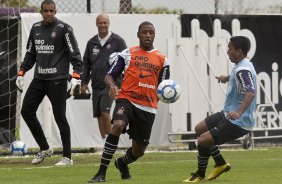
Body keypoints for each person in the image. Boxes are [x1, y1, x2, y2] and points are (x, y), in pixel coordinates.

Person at [88, 21, 170, 183]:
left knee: (139, 151)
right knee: (117, 125)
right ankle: (101, 173)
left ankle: (122, 163)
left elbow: (165, 85)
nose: (148, 35)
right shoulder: (128, 53)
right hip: (127, 99)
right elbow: (109, 76)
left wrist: (167, 94)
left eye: (151, 32)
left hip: (148, 107)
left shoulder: (162, 60)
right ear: (138, 34)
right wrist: (112, 85)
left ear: (154, 35)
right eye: (144, 32)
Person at [16, 0, 82, 166]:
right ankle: (45, 148)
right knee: (26, 111)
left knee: (60, 117)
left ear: (55, 11)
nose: (49, 14)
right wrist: (21, 72)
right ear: (41, 11)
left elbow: (75, 54)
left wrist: (76, 76)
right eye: (45, 11)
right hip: (39, 79)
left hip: (58, 79)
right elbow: (31, 54)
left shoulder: (64, 29)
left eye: (51, 11)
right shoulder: (36, 28)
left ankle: (67, 157)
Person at [182, 36, 257, 182]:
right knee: (199, 129)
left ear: (239, 51)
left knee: (203, 140)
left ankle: (199, 175)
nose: (227, 51)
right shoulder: (243, 65)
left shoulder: (242, 69)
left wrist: (239, 112)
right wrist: (227, 78)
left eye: (230, 48)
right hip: (227, 113)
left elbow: (251, 92)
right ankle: (220, 163)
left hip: (238, 121)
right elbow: (241, 77)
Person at [81, 14, 127, 143]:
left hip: (112, 84)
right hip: (96, 84)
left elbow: (126, 60)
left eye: (105, 23)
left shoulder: (118, 41)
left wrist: (122, 82)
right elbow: (86, 64)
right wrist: (84, 82)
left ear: (109, 23)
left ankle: (111, 143)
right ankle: (104, 143)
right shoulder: (92, 42)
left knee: (105, 112)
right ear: (96, 24)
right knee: (99, 115)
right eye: (100, 23)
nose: (102, 25)